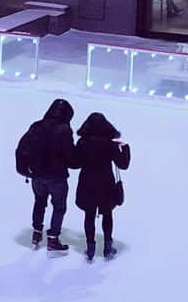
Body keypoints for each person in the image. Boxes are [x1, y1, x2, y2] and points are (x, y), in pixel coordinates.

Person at [15, 99, 79, 253]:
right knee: (59, 207)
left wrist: (25, 168)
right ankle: (53, 239)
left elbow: (23, 147)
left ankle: (36, 234)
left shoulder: (37, 126)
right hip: (57, 177)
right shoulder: (64, 130)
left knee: (39, 202)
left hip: (37, 175)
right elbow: (70, 157)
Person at [75, 112, 131, 262]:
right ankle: (107, 247)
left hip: (87, 182)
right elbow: (123, 164)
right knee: (107, 214)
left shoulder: (83, 143)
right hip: (106, 183)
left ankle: (90, 248)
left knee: (89, 215)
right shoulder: (110, 144)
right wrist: (125, 148)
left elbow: (75, 163)